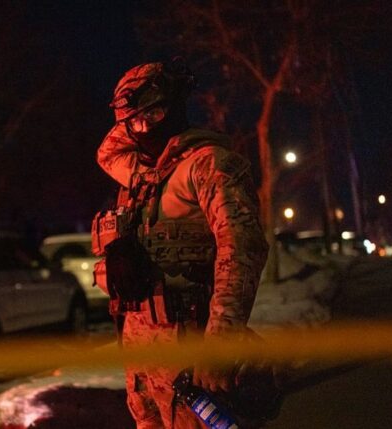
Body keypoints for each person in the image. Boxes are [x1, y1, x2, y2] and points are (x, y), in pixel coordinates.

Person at [91, 60, 271, 428]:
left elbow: (241, 251)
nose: (143, 128)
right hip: (143, 360)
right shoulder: (142, 173)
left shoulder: (209, 165)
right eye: (134, 121)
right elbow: (106, 152)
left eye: (154, 114)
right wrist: (132, 111)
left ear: (176, 107)